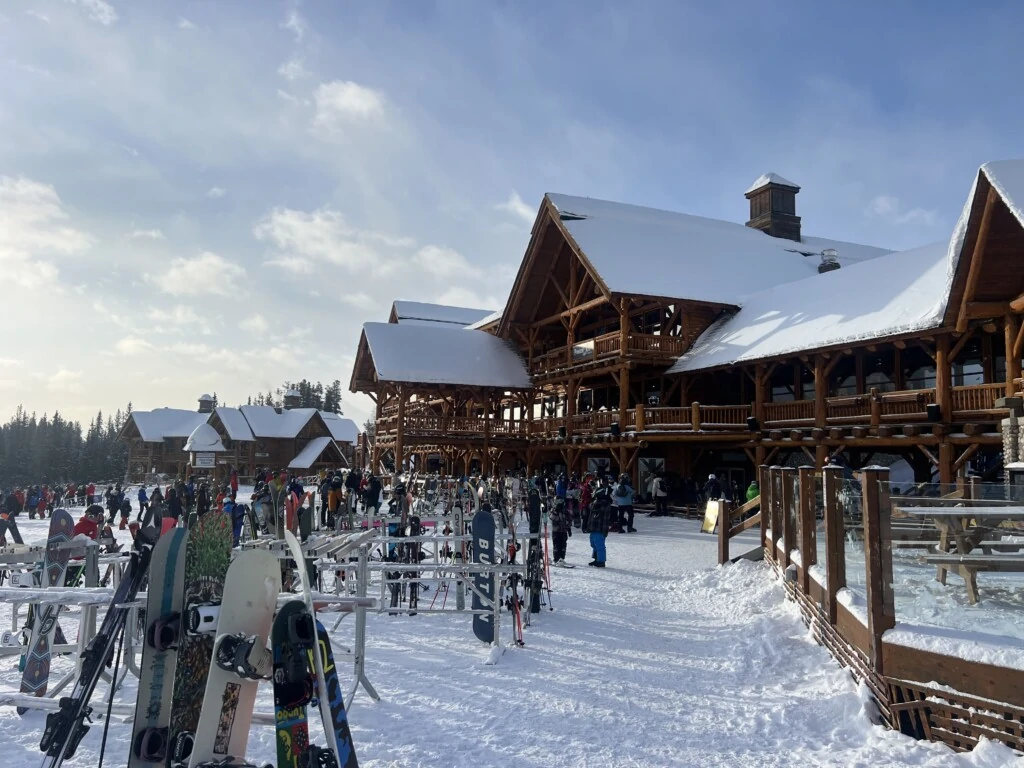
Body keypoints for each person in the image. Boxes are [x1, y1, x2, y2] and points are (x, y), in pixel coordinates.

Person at [588, 477, 611, 567]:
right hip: (593, 527)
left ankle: (601, 561)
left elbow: (599, 508)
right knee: (593, 543)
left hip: (600, 527)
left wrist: (598, 500)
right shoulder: (595, 502)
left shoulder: (605, 503)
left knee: (599, 544)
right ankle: (596, 558)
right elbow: (591, 506)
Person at [550, 495, 572, 564]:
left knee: (563, 545)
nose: (559, 503)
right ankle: (556, 558)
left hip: (563, 531)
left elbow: (568, 520)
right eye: (557, 501)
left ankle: (562, 558)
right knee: (556, 545)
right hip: (556, 531)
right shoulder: (553, 510)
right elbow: (552, 517)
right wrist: (556, 511)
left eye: (560, 501)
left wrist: (569, 529)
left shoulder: (565, 510)